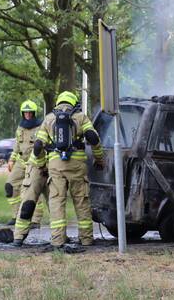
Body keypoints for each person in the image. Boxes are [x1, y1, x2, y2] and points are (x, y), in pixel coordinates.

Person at [30, 91, 104, 251]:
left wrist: (42, 164)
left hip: (56, 166)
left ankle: (57, 241)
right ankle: (86, 239)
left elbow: (37, 146)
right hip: (77, 166)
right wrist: (99, 160)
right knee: (81, 202)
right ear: (73, 103)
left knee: (56, 202)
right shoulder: (81, 117)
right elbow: (94, 138)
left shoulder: (49, 118)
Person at [6, 100, 41, 211]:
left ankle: (35, 220)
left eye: (30, 112)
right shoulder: (20, 127)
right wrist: (11, 160)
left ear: (34, 113)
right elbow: (17, 144)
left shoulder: (40, 127)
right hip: (21, 162)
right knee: (10, 186)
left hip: (34, 163)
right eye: (25, 113)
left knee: (32, 191)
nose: (28, 115)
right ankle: (16, 215)